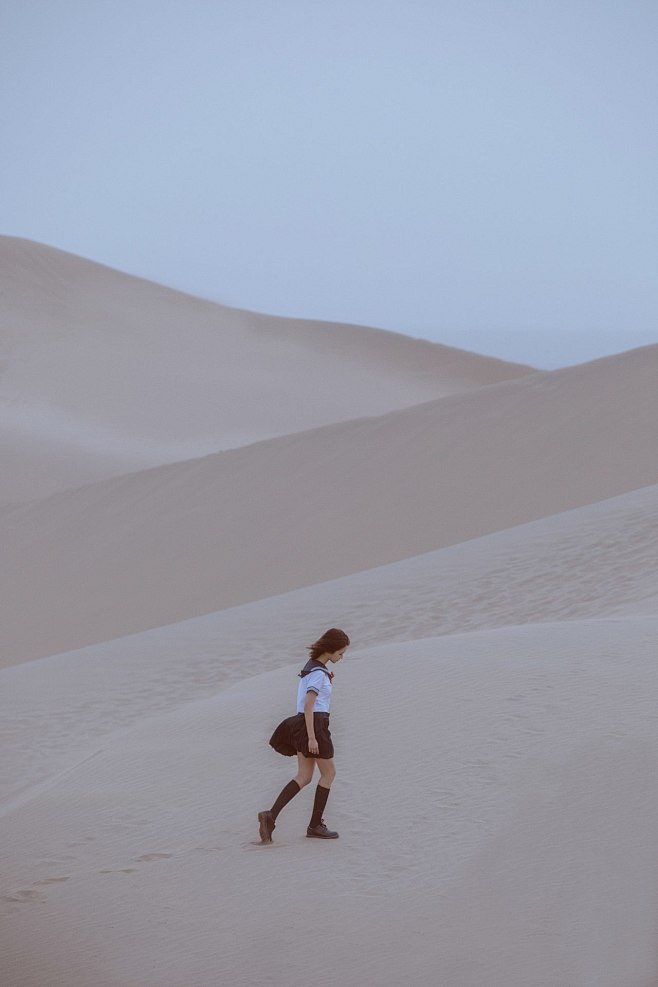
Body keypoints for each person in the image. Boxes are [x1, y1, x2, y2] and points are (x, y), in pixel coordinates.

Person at [258, 628, 349, 842]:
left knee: (304, 776)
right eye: (340, 653)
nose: (341, 657)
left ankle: (270, 816)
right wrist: (312, 737)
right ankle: (315, 825)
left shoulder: (312, 669)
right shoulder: (318, 674)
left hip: (303, 723)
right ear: (330, 650)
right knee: (329, 774)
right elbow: (309, 705)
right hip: (314, 725)